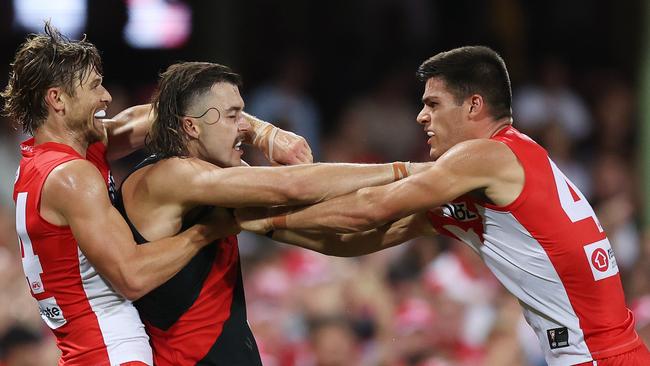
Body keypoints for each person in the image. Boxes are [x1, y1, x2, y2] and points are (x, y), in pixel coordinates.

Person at [237, 46, 650, 366]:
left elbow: (369, 208)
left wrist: (256, 215)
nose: (420, 116)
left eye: (433, 104)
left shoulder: (489, 155)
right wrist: (266, 225)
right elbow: (361, 238)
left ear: (473, 105)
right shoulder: (488, 181)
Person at [113, 61, 424, 365]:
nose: (246, 127)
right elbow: (293, 186)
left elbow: (329, 230)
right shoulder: (170, 176)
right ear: (191, 126)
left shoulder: (217, 179)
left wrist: (422, 219)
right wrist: (414, 172)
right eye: (233, 115)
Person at [1, 23, 253, 366]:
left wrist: (266, 134)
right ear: (57, 99)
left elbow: (150, 118)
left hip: (83, 350)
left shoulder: (40, 161)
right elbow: (132, 278)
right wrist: (207, 230)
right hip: (112, 351)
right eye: (94, 86)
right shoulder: (71, 176)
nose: (105, 96)